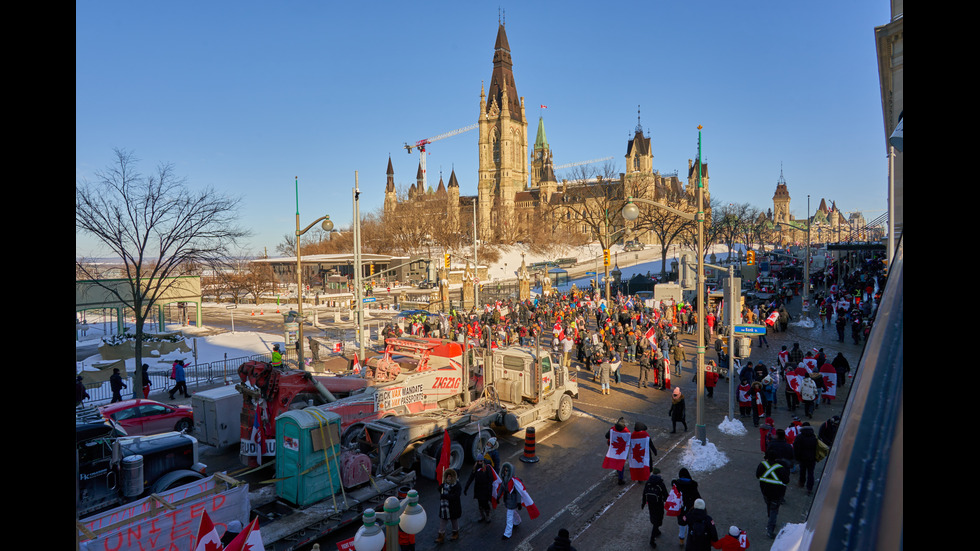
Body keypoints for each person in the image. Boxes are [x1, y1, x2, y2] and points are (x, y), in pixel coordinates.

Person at [495, 462, 540, 540]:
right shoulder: (505, 480)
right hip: (508, 501)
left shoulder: (514, 482)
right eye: (505, 470)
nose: (505, 472)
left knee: (509, 517)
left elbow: (519, 493)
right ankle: (517, 521)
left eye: (507, 470)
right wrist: (498, 497)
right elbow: (501, 489)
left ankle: (507, 534)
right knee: (513, 513)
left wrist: (519, 503)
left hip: (512, 502)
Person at [757, 452, 790, 538]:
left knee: (769, 504)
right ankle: (770, 529)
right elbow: (786, 481)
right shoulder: (781, 468)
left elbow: (757, 475)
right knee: (774, 510)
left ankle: (770, 518)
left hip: (765, 491)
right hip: (777, 493)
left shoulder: (762, 465)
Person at [671, 468, 701, 546]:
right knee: (689, 524)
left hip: (680, 508)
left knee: (681, 525)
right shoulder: (693, 485)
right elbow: (697, 497)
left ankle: (681, 540)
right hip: (690, 509)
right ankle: (688, 540)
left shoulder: (677, 485)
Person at [641, 467, 669, 547]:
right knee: (658, 519)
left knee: (654, 518)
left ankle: (656, 531)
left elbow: (644, 493)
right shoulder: (660, 483)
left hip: (650, 504)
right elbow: (665, 494)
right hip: (658, 504)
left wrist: (643, 503)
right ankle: (652, 539)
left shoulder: (648, 482)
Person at [436, 468, 462, 543]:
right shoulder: (445, 483)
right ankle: (441, 535)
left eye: (450, 476)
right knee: (443, 521)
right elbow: (440, 491)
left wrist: (445, 496)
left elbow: (456, 496)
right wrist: (440, 487)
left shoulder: (457, 485)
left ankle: (455, 533)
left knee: (454, 520)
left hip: (453, 507)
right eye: (448, 476)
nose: (448, 477)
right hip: (445, 508)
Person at [464, 458, 494, 523]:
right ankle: (482, 515)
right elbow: (471, 478)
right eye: (478, 461)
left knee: (485, 503)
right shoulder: (475, 468)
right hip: (478, 489)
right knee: (480, 503)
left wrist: (489, 489)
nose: (479, 462)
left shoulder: (487, 468)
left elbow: (490, 479)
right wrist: (466, 487)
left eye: (481, 461)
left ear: (483, 461)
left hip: (485, 489)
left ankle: (488, 515)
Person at [793, 423, 818, 494]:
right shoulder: (814, 437)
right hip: (812, 458)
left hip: (802, 458)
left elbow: (796, 448)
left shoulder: (799, 437)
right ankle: (809, 488)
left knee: (802, 471)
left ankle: (801, 483)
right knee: (811, 473)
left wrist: (796, 457)